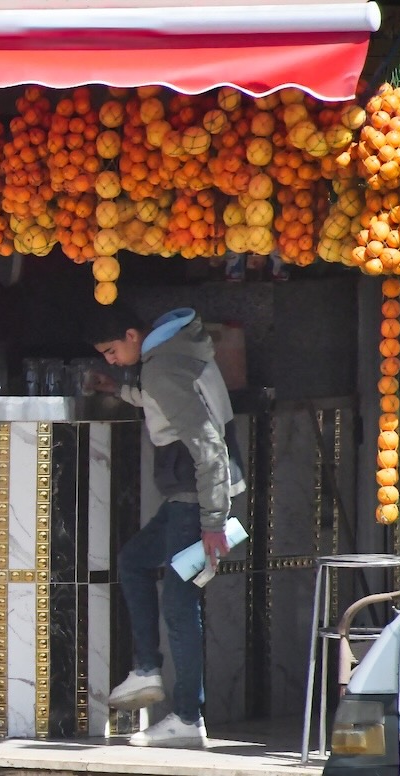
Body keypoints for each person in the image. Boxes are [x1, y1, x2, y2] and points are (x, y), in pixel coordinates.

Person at [86, 306, 245, 749]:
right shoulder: (181, 352)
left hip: (195, 503)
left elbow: (207, 447)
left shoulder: (161, 371)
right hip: (191, 499)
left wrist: (213, 522)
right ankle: (147, 668)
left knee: (179, 605)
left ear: (134, 336)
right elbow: (170, 401)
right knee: (134, 561)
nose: (111, 359)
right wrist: (120, 387)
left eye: (112, 351)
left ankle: (186, 716)